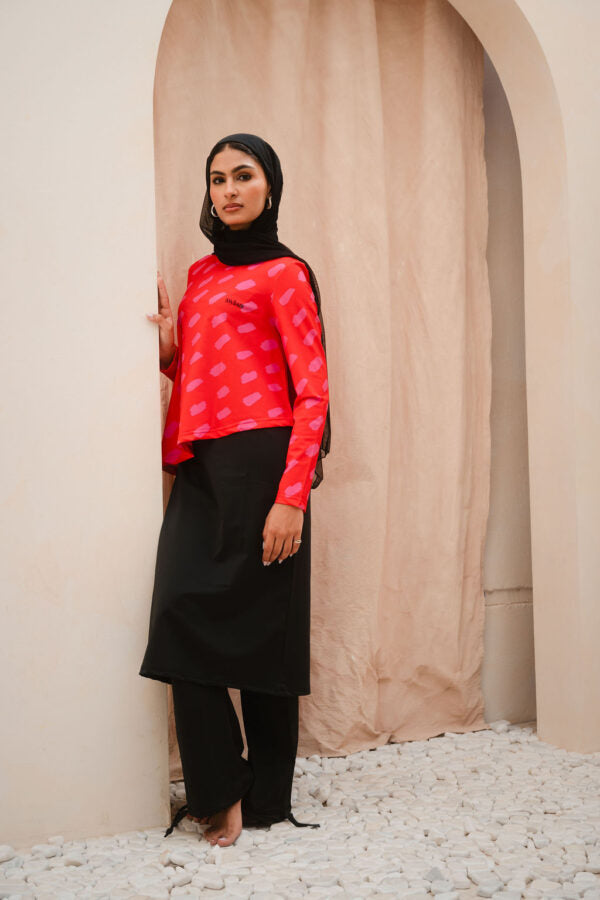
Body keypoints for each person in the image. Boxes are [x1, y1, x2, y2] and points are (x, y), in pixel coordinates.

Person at [139, 133, 331, 848]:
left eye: (243, 176)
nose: (228, 190)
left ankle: (265, 797)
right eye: (218, 178)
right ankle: (222, 785)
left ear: (269, 187)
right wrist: (170, 349)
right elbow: (208, 370)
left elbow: (312, 391)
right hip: (203, 459)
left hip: (264, 461)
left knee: (263, 626)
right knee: (178, 614)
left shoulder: (286, 272)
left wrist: (291, 497)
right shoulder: (201, 272)